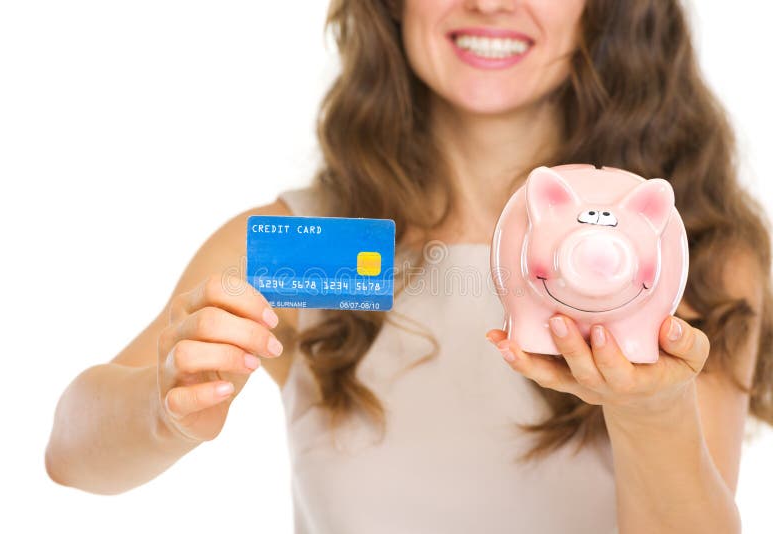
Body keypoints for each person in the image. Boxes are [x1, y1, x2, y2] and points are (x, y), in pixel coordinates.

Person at [46, 1, 773, 533]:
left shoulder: (688, 256)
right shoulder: (313, 243)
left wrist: (651, 412)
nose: (490, 2)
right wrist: (163, 408)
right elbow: (70, 457)